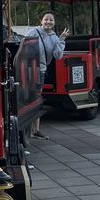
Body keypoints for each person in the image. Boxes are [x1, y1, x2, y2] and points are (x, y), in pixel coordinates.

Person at [26, 11, 69, 139]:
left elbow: (57, 55)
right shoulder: (33, 32)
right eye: (46, 19)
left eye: (51, 20)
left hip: (41, 71)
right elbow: (23, 47)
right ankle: (31, 130)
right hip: (29, 69)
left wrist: (61, 40)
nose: (48, 22)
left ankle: (36, 130)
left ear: (54, 23)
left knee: (36, 98)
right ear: (41, 21)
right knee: (30, 99)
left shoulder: (55, 38)